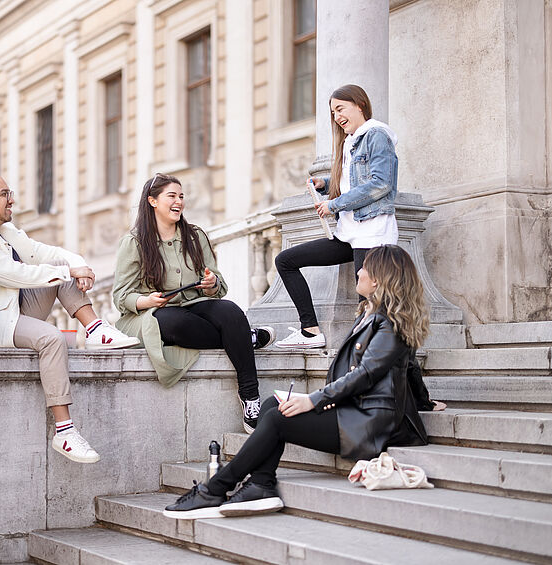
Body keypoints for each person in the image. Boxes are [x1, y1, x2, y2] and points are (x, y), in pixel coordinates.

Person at [163, 244, 430, 519]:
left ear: (378, 280)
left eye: (365, 268)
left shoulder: (388, 325)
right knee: (271, 404)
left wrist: (312, 400)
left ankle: (215, 489)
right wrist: (427, 402)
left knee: (279, 419)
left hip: (370, 423)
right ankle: (260, 484)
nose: (358, 271)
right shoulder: (370, 315)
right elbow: (409, 369)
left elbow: (365, 375)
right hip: (356, 411)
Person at [0, 172, 139, 464]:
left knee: (56, 265)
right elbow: (13, 274)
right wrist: (67, 272)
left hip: (13, 308)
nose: (12, 199)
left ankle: (97, 329)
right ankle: (64, 431)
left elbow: (39, 254)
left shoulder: (4, 229)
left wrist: (77, 265)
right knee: (51, 338)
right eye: (4, 194)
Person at [112, 173, 275, 434]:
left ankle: (250, 396)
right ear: (153, 201)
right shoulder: (134, 243)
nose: (179, 201)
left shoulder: (195, 236)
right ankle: (244, 339)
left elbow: (218, 283)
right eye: (171, 196)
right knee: (175, 322)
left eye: (181, 196)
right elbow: (121, 296)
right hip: (154, 312)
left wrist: (211, 283)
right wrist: (146, 300)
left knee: (231, 311)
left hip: (194, 302)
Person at [274, 84, 399, 349]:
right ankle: (310, 331)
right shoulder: (352, 141)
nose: (337, 116)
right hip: (349, 233)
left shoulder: (376, 135)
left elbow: (380, 183)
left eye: (340, 108)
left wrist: (335, 204)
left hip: (372, 233)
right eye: (333, 112)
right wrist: (327, 184)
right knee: (286, 260)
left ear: (360, 105)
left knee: (369, 310)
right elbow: (354, 181)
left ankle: (376, 369)